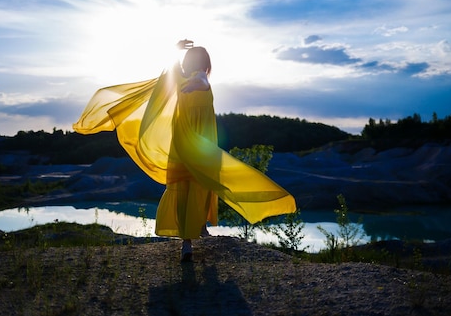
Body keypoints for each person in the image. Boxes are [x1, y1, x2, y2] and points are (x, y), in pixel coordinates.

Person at [73, 40, 295, 262]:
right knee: (201, 186)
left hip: (182, 146)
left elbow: (191, 77)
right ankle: (198, 232)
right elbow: (193, 77)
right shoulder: (196, 79)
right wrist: (181, 59)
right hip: (200, 146)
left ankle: (188, 242)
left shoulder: (193, 80)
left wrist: (179, 58)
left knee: (184, 189)